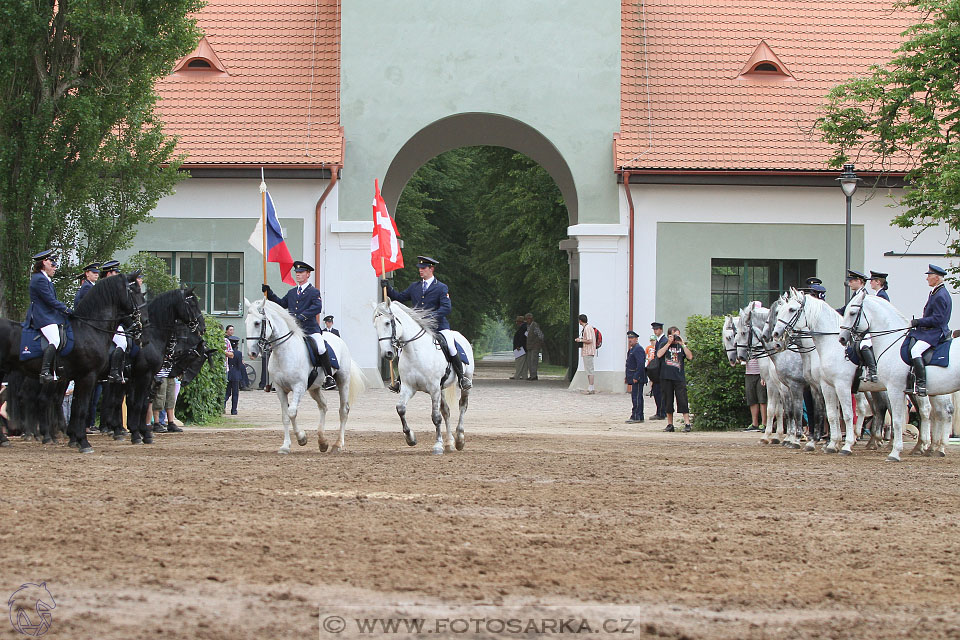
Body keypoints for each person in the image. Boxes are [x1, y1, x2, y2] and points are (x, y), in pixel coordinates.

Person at [381, 255, 471, 391]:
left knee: (451, 345)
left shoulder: (441, 288)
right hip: (418, 328)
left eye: (423, 268)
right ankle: (400, 380)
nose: (420, 270)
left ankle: (461, 377)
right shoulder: (414, 287)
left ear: (431, 269)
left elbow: (446, 308)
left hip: (438, 327)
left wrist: (430, 317)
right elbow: (400, 298)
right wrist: (388, 288)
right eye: (419, 268)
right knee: (402, 350)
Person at [263, 260, 336, 390]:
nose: (298, 275)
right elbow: (281, 303)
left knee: (320, 347)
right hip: (294, 330)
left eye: (301, 272)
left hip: (310, 329)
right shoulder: (291, 293)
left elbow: (317, 307)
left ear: (308, 274)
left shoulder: (313, 292)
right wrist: (270, 293)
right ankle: (276, 378)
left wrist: (301, 316)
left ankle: (328, 376)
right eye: (296, 272)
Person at [25, 250, 72, 383]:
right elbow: (49, 300)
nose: (55, 267)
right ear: (44, 262)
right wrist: (66, 309)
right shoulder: (39, 279)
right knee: (55, 340)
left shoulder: (45, 278)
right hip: (42, 314)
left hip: (49, 314)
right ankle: (44, 371)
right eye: (52, 264)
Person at [908, 264, 952, 397]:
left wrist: (919, 322)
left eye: (929, 275)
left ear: (937, 278)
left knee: (915, 350)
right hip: (930, 330)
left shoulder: (940, 295)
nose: (927, 278)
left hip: (936, 332)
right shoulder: (935, 292)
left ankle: (921, 384)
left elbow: (937, 319)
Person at [843, 269, 878, 383]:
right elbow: (846, 310)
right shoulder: (856, 294)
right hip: (859, 330)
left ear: (860, 281)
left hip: (866, 330)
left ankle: (872, 371)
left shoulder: (864, 296)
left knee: (863, 345)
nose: (850, 283)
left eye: (852, 280)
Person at [656, 325, 693, 432]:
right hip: (666, 377)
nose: (676, 337)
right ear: (669, 335)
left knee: (682, 400)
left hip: (679, 377)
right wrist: (668, 343)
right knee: (668, 401)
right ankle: (670, 424)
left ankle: (687, 423)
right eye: (674, 335)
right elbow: (658, 355)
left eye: (678, 334)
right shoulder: (664, 344)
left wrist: (683, 344)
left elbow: (690, 357)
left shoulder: (681, 346)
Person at [99, 259, 128, 383]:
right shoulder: (103, 287)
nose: (116, 275)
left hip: (113, 322)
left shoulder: (111, 288)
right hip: (104, 322)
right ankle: (113, 372)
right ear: (109, 274)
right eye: (115, 272)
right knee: (122, 342)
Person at [624, 331, 646, 422]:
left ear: (636, 339)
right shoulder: (632, 349)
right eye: (629, 338)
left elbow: (640, 364)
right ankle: (638, 415)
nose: (630, 340)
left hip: (637, 377)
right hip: (632, 376)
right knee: (636, 396)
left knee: (636, 397)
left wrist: (636, 376)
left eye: (632, 338)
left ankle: (636, 416)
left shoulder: (638, 349)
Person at [648, 322, 667, 420]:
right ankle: (660, 410)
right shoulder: (660, 340)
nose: (655, 331)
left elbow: (659, 356)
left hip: (661, 370)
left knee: (659, 392)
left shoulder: (663, 340)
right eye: (654, 329)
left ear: (660, 329)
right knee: (657, 392)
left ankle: (661, 412)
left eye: (656, 329)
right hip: (658, 370)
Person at [575, 314, 597, 394]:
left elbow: (589, 340)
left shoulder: (587, 328)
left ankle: (591, 387)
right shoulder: (588, 327)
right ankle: (591, 387)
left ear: (580, 321)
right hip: (587, 351)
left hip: (588, 351)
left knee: (589, 370)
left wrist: (580, 340)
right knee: (589, 369)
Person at [224, 326, 243, 415]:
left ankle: (223, 406)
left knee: (227, 392)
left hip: (228, 372)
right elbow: (240, 365)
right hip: (236, 374)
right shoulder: (238, 353)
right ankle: (234, 410)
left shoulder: (228, 352)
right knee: (235, 393)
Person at [524, 312, 544, 381]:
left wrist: (537, 343)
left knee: (533, 361)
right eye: (526, 319)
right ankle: (532, 375)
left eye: (528, 319)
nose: (527, 320)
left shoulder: (535, 325)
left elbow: (541, 335)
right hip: (529, 346)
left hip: (535, 347)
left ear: (531, 319)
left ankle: (534, 376)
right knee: (529, 361)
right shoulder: (528, 326)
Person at [510, 315, 528, 380]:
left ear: (519, 322)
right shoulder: (524, 327)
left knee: (519, 362)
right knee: (523, 363)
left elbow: (521, 338)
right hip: (522, 347)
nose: (516, 323)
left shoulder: (523, 328)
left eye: (517, 321)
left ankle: (517, 376)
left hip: (520, 348)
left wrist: (518, 345)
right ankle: (524, 376)